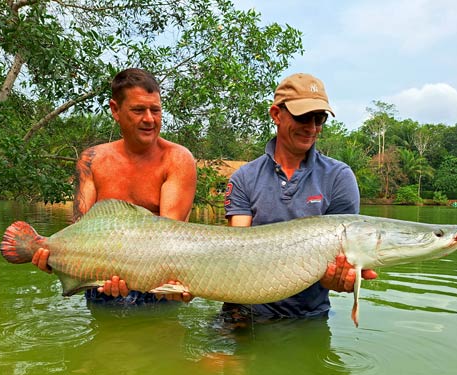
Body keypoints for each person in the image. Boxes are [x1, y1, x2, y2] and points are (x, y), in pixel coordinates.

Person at [32, 68, 197, 303]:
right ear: (115, 110)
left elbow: (168, 244)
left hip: (158, 287)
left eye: (156, 110)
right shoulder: (91, 159)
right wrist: (54, 259)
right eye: (138, 110)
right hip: (101, 282)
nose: (149, 119)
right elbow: (81, 232)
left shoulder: (178, 159)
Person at [223, 73, 377, 319]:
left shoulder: (339, 177)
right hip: (244, 312)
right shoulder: (244, 178)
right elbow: (236, 254)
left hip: (309, 316)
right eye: (303, 117)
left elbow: (342, 260)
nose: (312, 127)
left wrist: (341, 278)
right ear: (276, 114)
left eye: (319, 118)